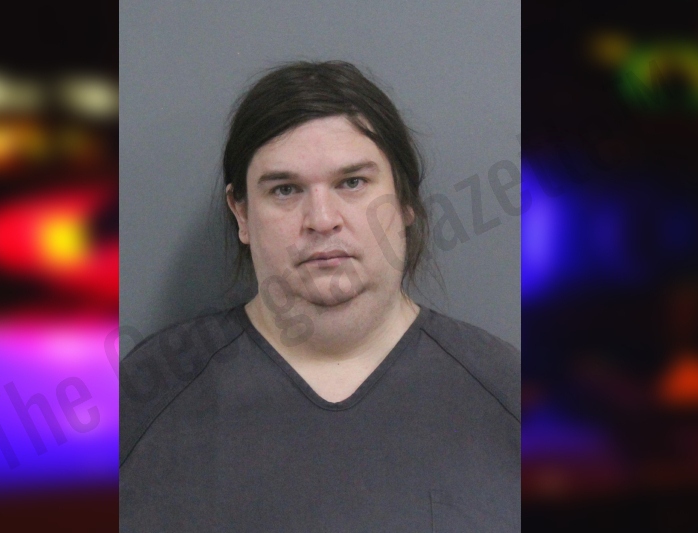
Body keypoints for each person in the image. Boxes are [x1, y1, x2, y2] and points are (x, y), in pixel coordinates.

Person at [120, 60, 519, 532]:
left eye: (352, 183)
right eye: (285, 189)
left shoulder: (509, 394)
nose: (322, 219)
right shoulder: (145, 394)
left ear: (405, 200)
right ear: (241, 214)